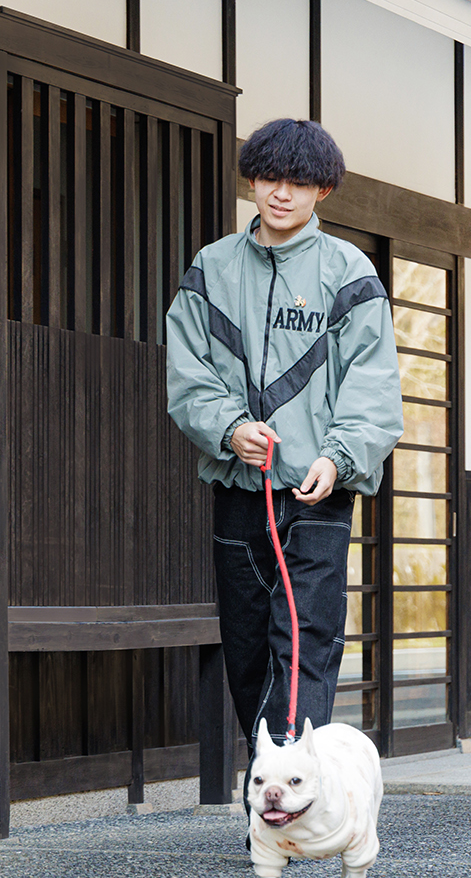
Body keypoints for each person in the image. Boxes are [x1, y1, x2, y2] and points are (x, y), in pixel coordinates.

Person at [166, 119, 403, 744]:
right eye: (271, 177)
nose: (282, 193)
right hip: (237, 495)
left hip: (317, 496)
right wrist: (229, 429)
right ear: (251, 179)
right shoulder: (211, 267)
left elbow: (373, 382)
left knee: (306, 648)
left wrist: (339, 457)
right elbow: (186, 368)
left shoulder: (348, 271)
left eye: (300, 182)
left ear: (322, 191)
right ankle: (275, 785)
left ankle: (286, 807)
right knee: (245, 656)